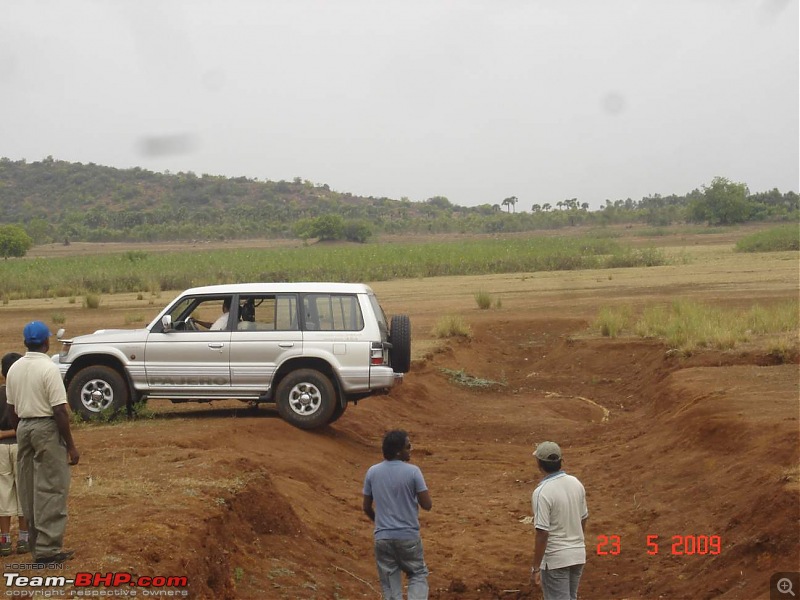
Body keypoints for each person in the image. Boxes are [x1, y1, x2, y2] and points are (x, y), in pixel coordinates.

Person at [6, 321, 80, 565]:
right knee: (51, 487)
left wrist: (22, 432)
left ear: (26, 342)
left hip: (24, 427)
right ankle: (48, 550)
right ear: (46, 343)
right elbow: (59, 410)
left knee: (28, 488)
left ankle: (36, 546)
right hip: (46, 426)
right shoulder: (48, 368)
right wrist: (70, 445)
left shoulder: (15, 368)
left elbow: (11, 411)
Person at [363, 430, 432, 600]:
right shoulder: (413, 472)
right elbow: (427, 505)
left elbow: (366, 507)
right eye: (408, 446)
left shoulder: (372, 472)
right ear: (398, 451)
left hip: (383, 538)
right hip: (408, 536)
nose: (410, 449)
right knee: (417, 573)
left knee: (389, 584)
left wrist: (379, 522)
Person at [530, 441, 588, 600]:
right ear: (561, 462)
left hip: (556, 560)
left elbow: (542, 532)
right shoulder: (576, 483)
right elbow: (584, 517)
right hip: (578, 555)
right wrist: (575, 542)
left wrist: (536, 568)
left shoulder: (542, 492)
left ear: (539, 464)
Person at [0, 352, 28, 556]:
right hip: (20, 446)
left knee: (4, 493)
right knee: (23, 492)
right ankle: (25, 539)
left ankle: (5, 541)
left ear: (2, 372)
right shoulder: (24, 393)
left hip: (0, 448)